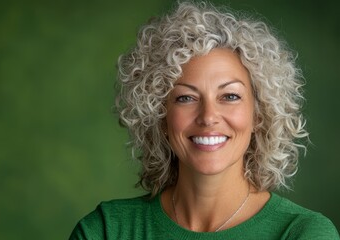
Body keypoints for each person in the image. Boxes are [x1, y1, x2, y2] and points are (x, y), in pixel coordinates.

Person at [69, 1, 339, 239]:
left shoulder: (303, 233)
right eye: (186, 98)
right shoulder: (106, 230)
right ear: (160, 115)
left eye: (230, 96)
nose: (208, 117)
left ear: (259, 114)